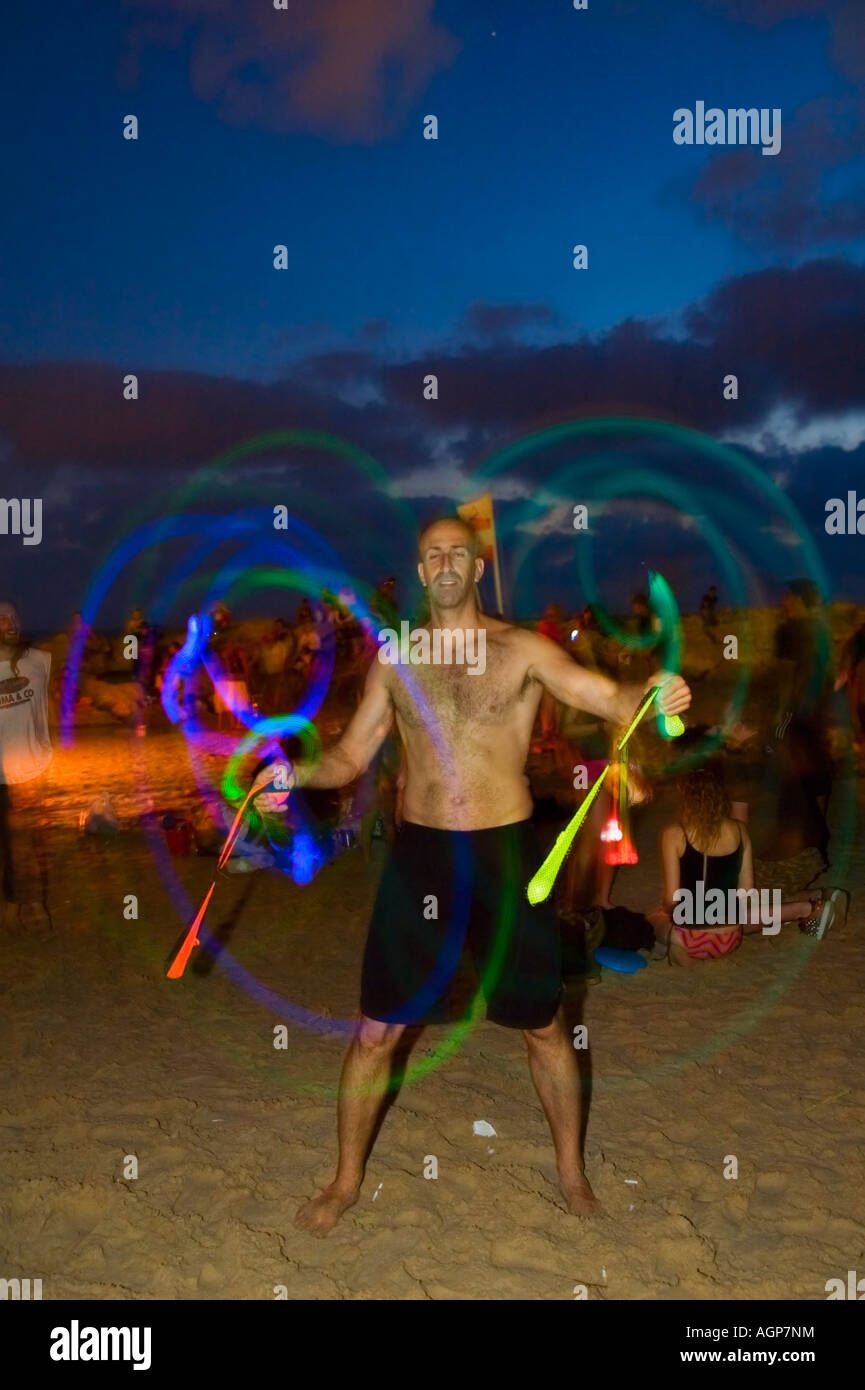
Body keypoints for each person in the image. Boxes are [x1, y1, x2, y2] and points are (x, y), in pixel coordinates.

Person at [252, 515, 691, 1234]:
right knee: (374, 1033)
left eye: (459, 551)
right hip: (423, 858)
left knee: (544, 1029)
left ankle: (573, 1176)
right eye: (433, 554)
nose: (447, 562)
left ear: (478, 567)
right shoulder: (396, 660)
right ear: (422, 573)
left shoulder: (521, 650)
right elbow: (350, 757)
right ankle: (343, 1180)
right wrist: (294, 772)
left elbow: (606, 698)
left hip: (507, 856)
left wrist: (654, 691)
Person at [648, 736, 838, 966]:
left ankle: (680, 948)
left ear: (684, 796)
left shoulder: (674, 833)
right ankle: (807, 908)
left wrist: (673, 910)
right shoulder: (739, 830)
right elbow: (746, 892)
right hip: (731, 938)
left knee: (654, 918)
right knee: (728, 912)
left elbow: (671, 900)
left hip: (691, 936)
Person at [0, 601, 53, 928]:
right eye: (1, 618)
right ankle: (11, 900)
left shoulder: (40, 662)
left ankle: (33, 905)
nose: (10, 622)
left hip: (30, 770)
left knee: (27, 841)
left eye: (14, 617)